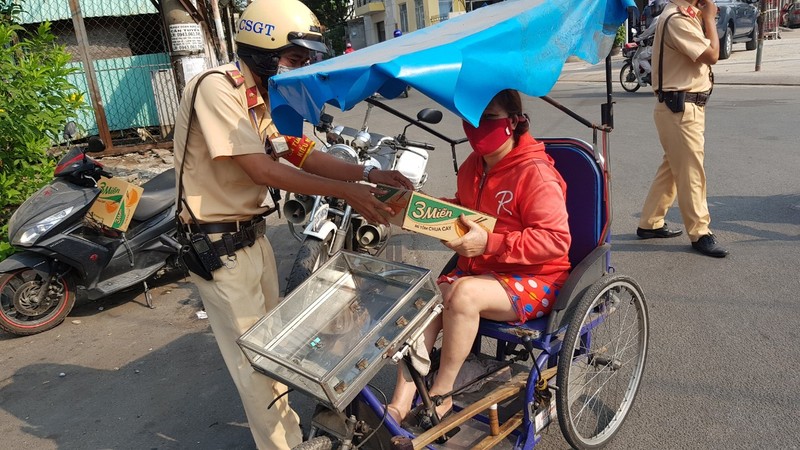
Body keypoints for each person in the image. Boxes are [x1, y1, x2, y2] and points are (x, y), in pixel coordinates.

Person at [172, 0, 414, 449]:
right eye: (295, 59)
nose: (300, 69)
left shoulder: (255, 93)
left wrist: (369, 174)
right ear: (264, 50)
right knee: (252, 365)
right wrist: (348, 193)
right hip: (218, 246)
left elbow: (299, 151)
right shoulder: (216, 87)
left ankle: (290, 435)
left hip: (252, 238)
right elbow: (259, 169)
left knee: (275, 354)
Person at [385, 89, 571, 425]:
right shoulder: (473, 165)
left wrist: (489, 243)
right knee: (425, 302)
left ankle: (441, 396)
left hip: (537, 279)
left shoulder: (536, 174)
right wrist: (422, 211)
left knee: (463, 295)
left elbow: (556, 241)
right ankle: (398, 405)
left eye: (488, 118)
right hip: (481, 271)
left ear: (513, 122)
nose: (476, 128)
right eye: (471, 118)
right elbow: (465, 208)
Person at [636, 0, 728, 257]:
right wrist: (709, 19)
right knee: (691, 171)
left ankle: (650, 222)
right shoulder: (677, 19)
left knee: (673, 167)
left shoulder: (683, 15)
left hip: (682, 107)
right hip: (681, 108)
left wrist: (703, 16)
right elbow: (712, 55)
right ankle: (700, 232)